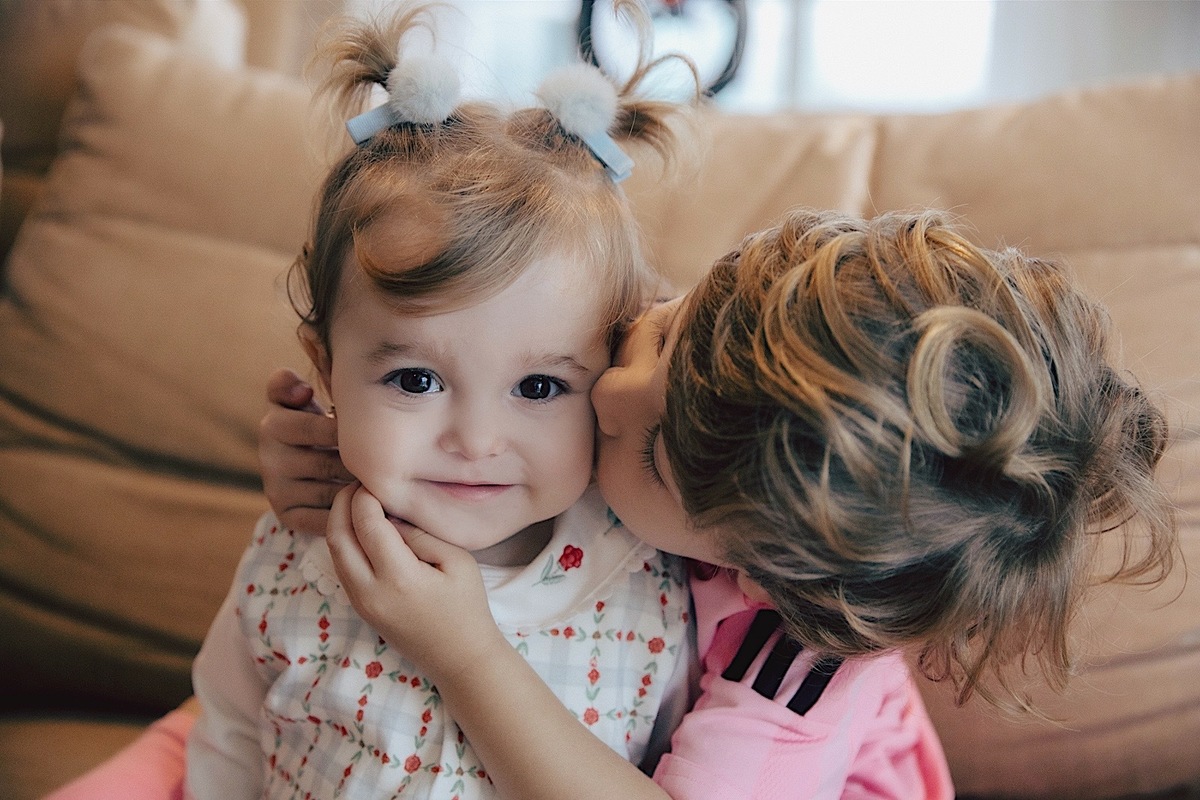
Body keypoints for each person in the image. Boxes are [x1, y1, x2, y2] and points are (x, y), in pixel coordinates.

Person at [266, 207, 1177, 800]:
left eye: (652, 453)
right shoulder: (731, 388)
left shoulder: (801, 662)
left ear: (760, 571)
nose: (609, 390)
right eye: (666, 330)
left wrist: (465, 655)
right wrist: (334, 448)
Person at [177, 6, 702, 800]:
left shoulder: (647, 572)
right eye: (416, 381)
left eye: (539, 387)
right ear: (325, 370)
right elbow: (230, 733)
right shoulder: (292, 557)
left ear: (612, 371)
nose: (477, 440)